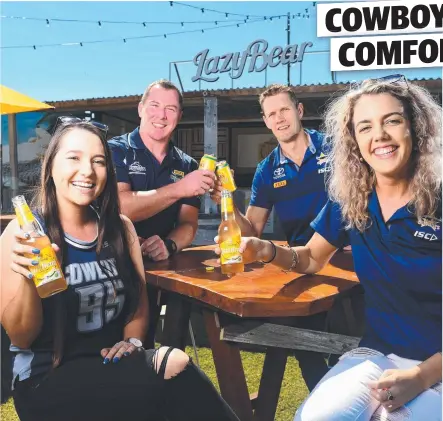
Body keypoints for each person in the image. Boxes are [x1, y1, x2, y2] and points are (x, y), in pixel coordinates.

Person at [217, 75, 442, 420]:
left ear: (416, 127)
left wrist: (422, 376)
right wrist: (265, 250)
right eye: (364, 127)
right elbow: (309, 258)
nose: (379, 136)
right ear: (353, 140)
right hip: (376, 353)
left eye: (392, 121)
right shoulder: (352, 200)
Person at [0, 119, 239, 421]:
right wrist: (27, 280)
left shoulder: (120, 229)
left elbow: (137, 306)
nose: (87, 171)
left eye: (98, 161)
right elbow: (21, 338)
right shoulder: (22, 234)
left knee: (172, 381)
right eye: (73, 158)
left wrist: (133, 344)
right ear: (51, 167)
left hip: (111, 366)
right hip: (46, 379)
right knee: (173, 362)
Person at [211, 84, 343, 391]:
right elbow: (253, 230)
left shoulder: (336, 148)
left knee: (354, 339)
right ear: (266, 122)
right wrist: (227, 200)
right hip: (302, 263)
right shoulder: (267, 170)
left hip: (351, 256)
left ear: (299, 111)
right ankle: (331, 405)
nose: (279, 118)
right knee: (305, 342)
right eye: (272, 114)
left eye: (284, 110)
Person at [108, 79, 216, 347]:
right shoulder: (114, 150)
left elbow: (188, 224)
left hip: (162, 275)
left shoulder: (187, 164)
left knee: (155, 347)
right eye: (155, 105)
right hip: (111, 271)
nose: (161, 115)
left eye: (170, 109)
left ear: (179, 116)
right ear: (141, 108)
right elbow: (120, 206)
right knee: (108, 350)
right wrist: (179, 188)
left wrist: (168, 244)